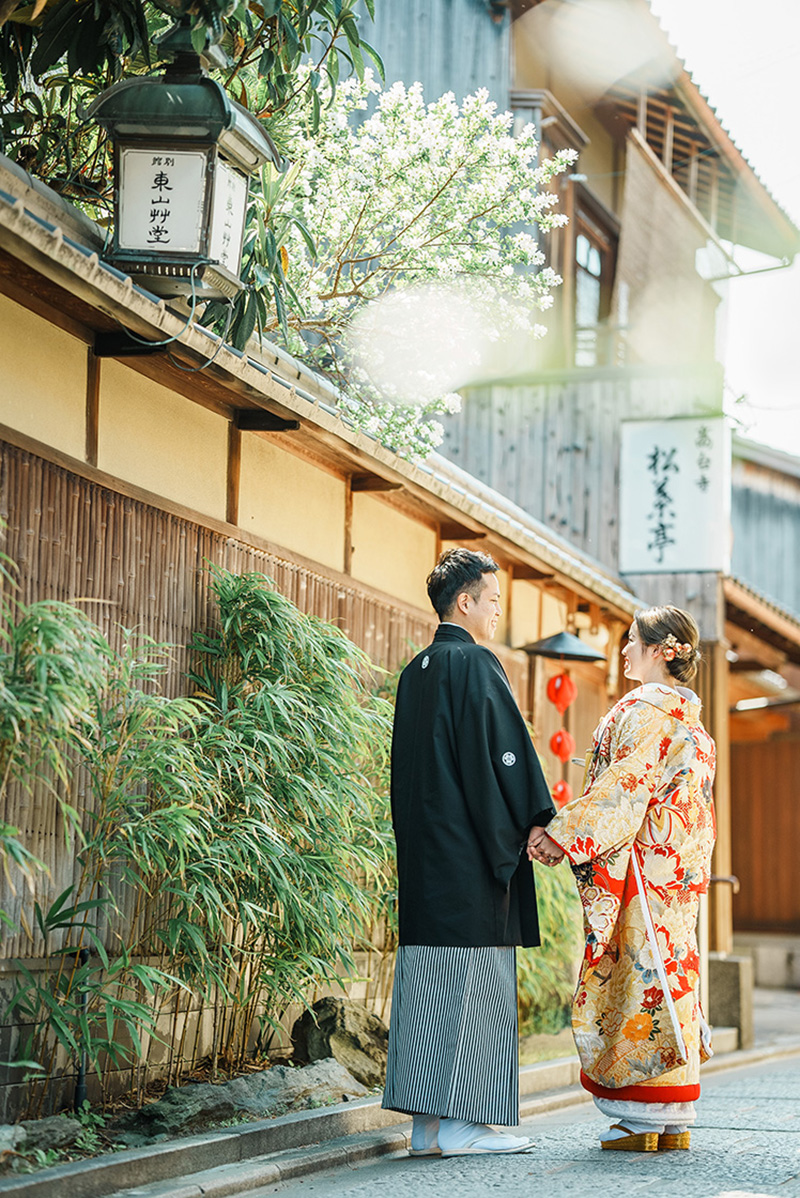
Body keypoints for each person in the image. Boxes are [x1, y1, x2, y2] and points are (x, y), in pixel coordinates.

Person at [382, 548, 556, 1157]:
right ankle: (463, 1125)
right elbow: (503, 755)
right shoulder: (476, 664)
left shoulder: (417, 670)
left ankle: (426, 1128)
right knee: (472, 979)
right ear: (466, 602)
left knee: (429, 981)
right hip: (471, 859)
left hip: (426, 860)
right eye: (494, 601)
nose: (497, 613)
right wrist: (537, 821)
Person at [528, 604, 716, 1152]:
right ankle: (674, 1119)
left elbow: (622, 788)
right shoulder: (691, 720)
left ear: (661, 650)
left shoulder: (644, 711)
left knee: (639, 981)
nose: (625, 650)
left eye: (633, 640)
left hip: (640, 869)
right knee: (673, 980)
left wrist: (562, 834)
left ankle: (639, 1119)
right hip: (677, 872)